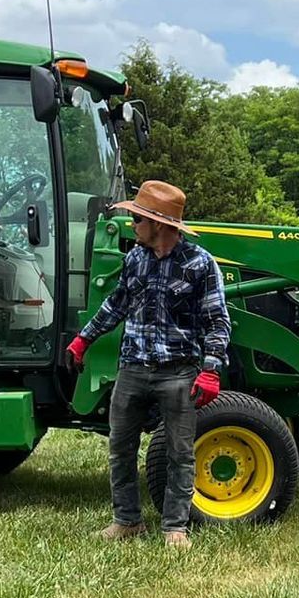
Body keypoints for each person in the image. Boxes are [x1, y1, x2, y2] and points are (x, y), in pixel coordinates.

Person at [65, 179, 230, 551]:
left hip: (178, 372)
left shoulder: (199, 265)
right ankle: (127, 521)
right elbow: (116, 304)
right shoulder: (135, 258)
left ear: (159, 224)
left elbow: (217, 321)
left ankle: (175, 527)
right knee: (120, 447)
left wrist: (210, 369)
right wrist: (84, 339)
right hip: (133, 368)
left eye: (138, 218)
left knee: (179, 451)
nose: (132, 224)